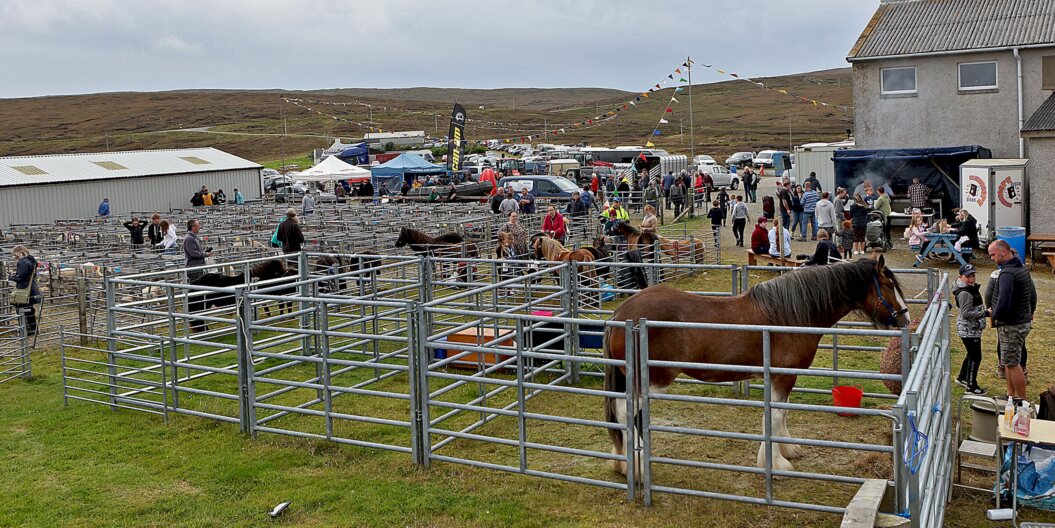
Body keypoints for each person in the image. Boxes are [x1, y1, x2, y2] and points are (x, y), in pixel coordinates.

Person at [986, 240, 1037, 401]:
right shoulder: (1021, 268)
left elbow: (1003, 302)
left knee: (1014, 364)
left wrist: (991, 315)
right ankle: (1010, 395)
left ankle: (1021, 401)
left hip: (1012, 325)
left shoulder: (1007, 274)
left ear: (1003, 251)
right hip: (1021, 321)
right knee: (1009, 361)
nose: (992, 258)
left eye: (993, 254)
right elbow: (1032, 295)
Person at [953, 264, 988, 395]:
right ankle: (971, 386)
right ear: (961, 277)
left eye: (973, 275)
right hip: (968, 330)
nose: (972, 279)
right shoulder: (965, 293)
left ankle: (962, 377)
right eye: (968, 276)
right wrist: (985, 313)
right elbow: (966, 313)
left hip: (972, 329)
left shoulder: (970, 289)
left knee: (971, 354)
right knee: (975, 356)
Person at [9, 245, 40, 336]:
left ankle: (24, 331)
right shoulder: (32, 260)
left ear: (19, 252)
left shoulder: (23, 262)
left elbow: (20, 277)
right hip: (31, 288)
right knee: (29, 309)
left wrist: (11, 277)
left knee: (21, 309)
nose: (15, 257)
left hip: (23, 289)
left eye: (15, 254)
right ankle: (33, 329)